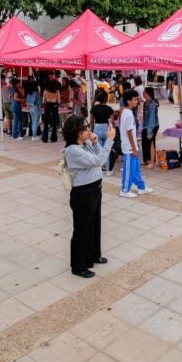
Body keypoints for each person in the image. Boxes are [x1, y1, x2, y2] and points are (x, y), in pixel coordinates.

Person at [63, 115, 115, 278]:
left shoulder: (85, 144)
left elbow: (98, 154)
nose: (88, 130)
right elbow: (100, 160)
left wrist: (95, 142)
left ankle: (93, 254)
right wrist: (109, 140)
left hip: (94, 188)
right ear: (76, 132)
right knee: (82, 229)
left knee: (94, 225)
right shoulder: (73, 151)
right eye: (85, 128)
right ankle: (79, 265)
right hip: (83, 193)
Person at [119, 89, 153, 198]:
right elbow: (129, 132)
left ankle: (141, 187)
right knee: (129, 170)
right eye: (134, 100)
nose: (136, 102)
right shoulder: (127, 114)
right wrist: (134, 148)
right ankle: (125, 190)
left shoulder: (127, 112)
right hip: (129, 148)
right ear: (128, 101)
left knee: (136, 169)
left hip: (132, 146)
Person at [90, 90, 114, 172]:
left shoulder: (94, 108)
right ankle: (108, 169)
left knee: (98, 150)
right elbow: (111, 122)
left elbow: (91, 121)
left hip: (96, 127)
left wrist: (91, 131)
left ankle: (99, 168)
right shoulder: (109, 109)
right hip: (106, 128)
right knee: (107, 149)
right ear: (105, 99)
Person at [141, 87, 159, 169]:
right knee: (145, 143)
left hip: (151, 126)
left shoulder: (152, 104)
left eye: (144, 92)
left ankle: (152, 161)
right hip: (146, 126)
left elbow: (152, 119)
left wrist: (149, 131)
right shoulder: (146, 103)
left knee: (151, 143)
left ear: (148, 93)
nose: (143, 93)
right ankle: (147, 159)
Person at [42, 79, 60, 143]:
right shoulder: (57, 92)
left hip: (47, 106)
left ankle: (45, 138)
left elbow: (43, 101)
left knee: (46, 123)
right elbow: (58, 101)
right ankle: (53, 138)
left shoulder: (45, 91)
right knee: (54, 123)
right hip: (54, 106)